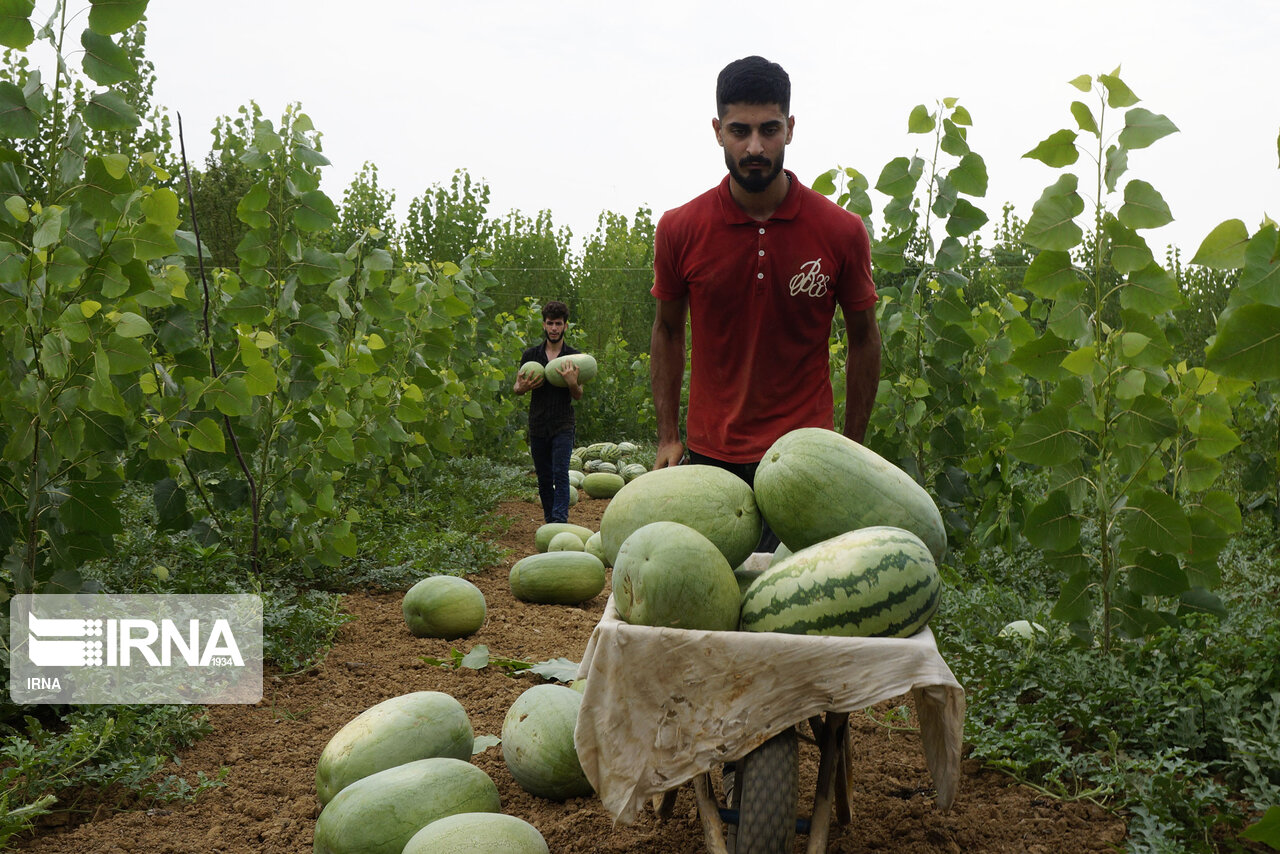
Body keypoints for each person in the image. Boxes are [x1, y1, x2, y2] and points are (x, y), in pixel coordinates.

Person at [649, 55, 882, 550]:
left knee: (794, 616)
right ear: (717, 131)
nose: (754, 146)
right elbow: (668, 329)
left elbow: (864, 338)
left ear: (790, 128)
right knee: (711, 614)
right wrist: (669, 435)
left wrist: (852, 448)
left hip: (807, 460)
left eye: (769, 129)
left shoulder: (840, 231)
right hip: (710, 460)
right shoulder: (680, 228)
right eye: (739, 130)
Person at [514, 300, 583, 524]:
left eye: (558, 324)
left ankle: (560, 521)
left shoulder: (572, 358)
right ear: (544, 325)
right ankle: (549, 521)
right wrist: (521, 388)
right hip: (538, 424)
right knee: (544, 478)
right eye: (550, 323)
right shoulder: (530, 355)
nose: (554, 328)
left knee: (560, 474)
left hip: (563, 424)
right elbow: (517, 388)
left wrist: (572, 383)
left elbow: (578, 394)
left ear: (565, 326)